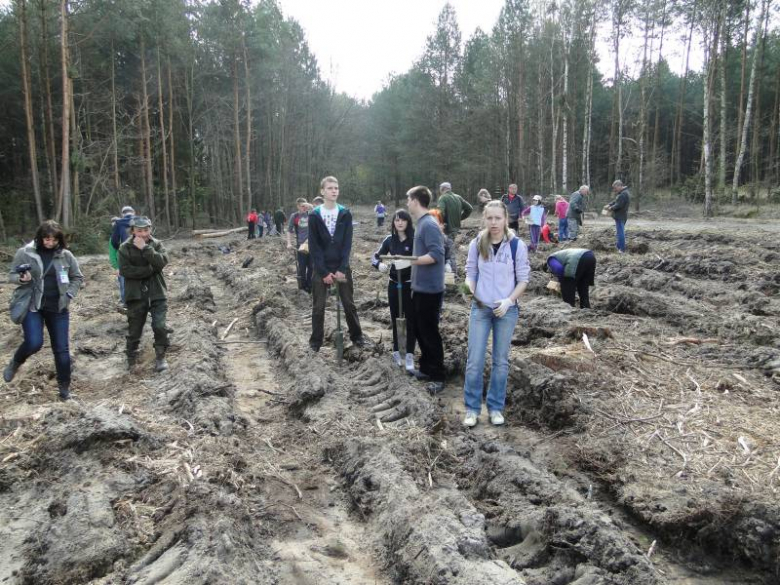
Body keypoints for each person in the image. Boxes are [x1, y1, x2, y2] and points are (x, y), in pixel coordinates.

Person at [463, 201, 530, 427]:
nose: (493, 223)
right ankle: (472, 409)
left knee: (500, 361)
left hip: (506, 311)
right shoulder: (476, 243)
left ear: (506, 219)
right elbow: (470, 272)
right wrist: (471, 289)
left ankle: (496, 408)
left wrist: (509, 300)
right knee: (475, 360)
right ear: (484, 219)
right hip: (480, 309)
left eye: (498, 218)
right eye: (489, 218)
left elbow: (523, 280)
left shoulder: (515, 245)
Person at [4, 220, 84, 400]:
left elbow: (77, 277)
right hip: (33, 305)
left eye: (53, 240)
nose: (49, 243)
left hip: (58, 307)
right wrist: (22, 279)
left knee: (61, 350)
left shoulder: (66, 255)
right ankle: (15, 362)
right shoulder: (25, 253)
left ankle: (64, 389)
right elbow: (11, 275)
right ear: (40, 237)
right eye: (46, 239)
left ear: (59, 240)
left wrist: (69, 294)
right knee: (34, 342)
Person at [308, 176, 367, 352]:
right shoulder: (314, 215)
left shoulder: (345, 213)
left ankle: (357, 337)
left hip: (341, 266)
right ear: (322, 191)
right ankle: (315, 343)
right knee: (318, 307)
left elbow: (347, 243)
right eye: (330, 188)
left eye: (336, 188)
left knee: (349, 304)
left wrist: (342, 268)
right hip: (321, 268)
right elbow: (314, 246)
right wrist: (324, 272)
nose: (334, 191)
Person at [406, 185, 446, 394]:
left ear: (415, 200)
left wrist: (410, 261)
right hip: (420, 287)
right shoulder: (422, 223)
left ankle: (438, 375)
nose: (406, 203)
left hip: (430, 290)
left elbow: (437, 254)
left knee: (430, 332)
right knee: (420, 329)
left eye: (408, 199)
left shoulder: (429, 224)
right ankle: (427, 369)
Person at [118, 216, 170, 372]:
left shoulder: (156, 244)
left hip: (157, 292)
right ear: (133, 231)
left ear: (150, 229)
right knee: (134, 329)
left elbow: (161, 262)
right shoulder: (124, 248)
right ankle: (131, 358)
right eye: (139, 230)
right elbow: (125, 271)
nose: (143, 234)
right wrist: (148, 270)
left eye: (146, 230)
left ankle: (160, 356)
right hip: (136, 294)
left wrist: (146, 249)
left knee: (160, 326)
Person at [371, 209, 416, 371]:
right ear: (393, 223)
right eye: (396, 220)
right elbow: (375, 256)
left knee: (411, 319)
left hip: (410, 284)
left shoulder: (414, 240)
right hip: (394, 283)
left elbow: (421, 258)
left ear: (408, 222)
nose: (400, 223)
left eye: (403, 220)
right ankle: (397, 351)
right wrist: (379, 264)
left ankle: (410, 353)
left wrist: (408, 263)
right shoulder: (390, 240)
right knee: (396, 317)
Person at [110, 205, 135, 307]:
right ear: (133, 212)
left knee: (124, 282)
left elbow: (114, 242)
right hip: (140, 256)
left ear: (123, 214)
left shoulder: (119, 224)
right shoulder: (140, 221)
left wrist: (120, 247)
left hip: (124, 257)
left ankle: (126, 304)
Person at [287, 198, 313, 293]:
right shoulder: (295, 216)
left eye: (305, 206)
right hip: (301, 246)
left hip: (312, 245)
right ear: (298, 206)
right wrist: (289, 243)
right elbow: (289, 230)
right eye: (302, 206)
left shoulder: (311, 214)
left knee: (311, 267)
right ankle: (303, 286)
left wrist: (311, 206)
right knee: (302, 267)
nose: (304, 208)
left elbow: (320, 214)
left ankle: (309, 285)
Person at [427, 208, 456, 276]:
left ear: (441, 225)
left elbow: (452, 263)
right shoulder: (420, 242)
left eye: (435, 223)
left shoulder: (447, 242)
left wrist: (448, 266)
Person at [605, 180, 630, 253]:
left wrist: (610, 208)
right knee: (619, 232)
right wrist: (609, 204)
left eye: (615, 188)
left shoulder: (623, 194)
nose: (614, 190)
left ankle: (621, 249)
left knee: (620, 233)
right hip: (620, 215)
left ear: (620, 186)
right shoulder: (622, 193)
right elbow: (616, 201)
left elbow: (619, 205)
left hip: (620, 216)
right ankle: (618, 246)